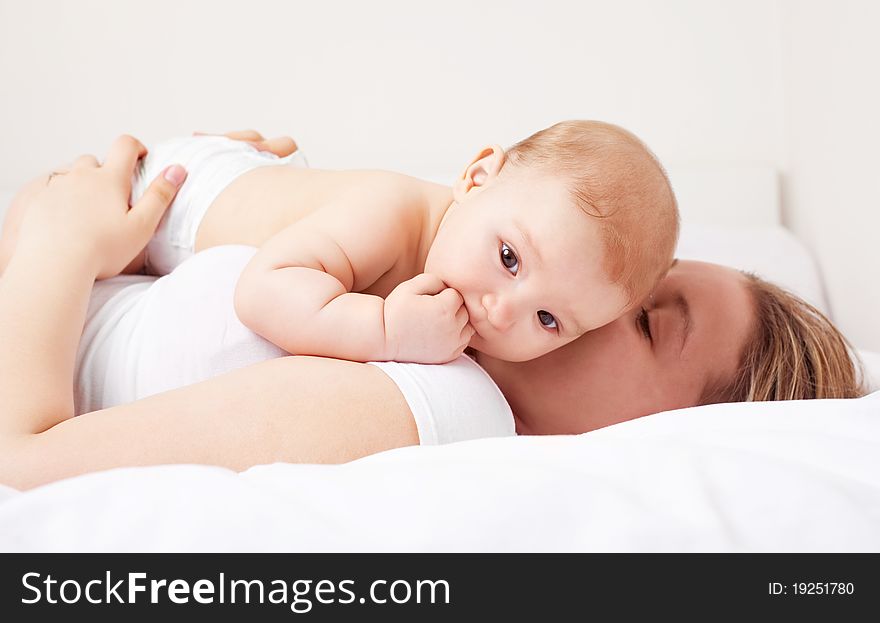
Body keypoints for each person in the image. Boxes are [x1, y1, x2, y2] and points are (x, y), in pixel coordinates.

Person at [0, 135, 864, 491]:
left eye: (644, 316)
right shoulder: (426, 314)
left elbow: (21, 461)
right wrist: (201, 201)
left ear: (672, 432)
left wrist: (58, 244)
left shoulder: (431, 402)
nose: (607, 293)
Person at [122, 120, 679, 365]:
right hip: (183, 196)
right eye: (509, 258)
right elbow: (261, 292)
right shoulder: (388, 214)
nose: (503, 313)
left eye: (550, 320)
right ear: (476, 177)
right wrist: (387, 331)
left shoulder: (474, 275)